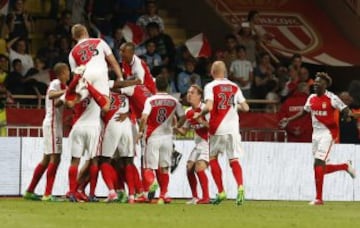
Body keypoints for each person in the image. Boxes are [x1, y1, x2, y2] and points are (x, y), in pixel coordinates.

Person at [279, 72, 356, 205]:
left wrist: (347, 115)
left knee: (319, 162)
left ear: (325, 84)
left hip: (328, 133)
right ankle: (344, 166)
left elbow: (345, 109)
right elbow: (304, 112)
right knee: (318, 166)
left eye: (318, 82)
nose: (315, 84)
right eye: (315, 81)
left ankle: (319, 198)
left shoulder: (332, 98)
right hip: (316, 135)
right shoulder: (311, 98)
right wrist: (289, 120)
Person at [193, 61, 249, 206]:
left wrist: (199, 114)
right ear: (225, 72)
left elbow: (210, 106)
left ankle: (221, 191)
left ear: (212, 71)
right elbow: (246, 107)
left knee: (212, 158)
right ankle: (240, 187)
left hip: (218, 128)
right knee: (234, 159)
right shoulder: (235, 87)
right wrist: (235, 106)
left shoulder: (210, 86)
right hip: (233, 129)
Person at [23, 63, 70, 201]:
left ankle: (30, 191)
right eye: (67, 71)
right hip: (52, 125)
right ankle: (48, 194)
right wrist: (66, 92)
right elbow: (50, 95)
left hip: (56, 125)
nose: (69, 73)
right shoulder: (56, 83)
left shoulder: (65, 87)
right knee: (55, 157)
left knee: (46, 159)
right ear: (61, 73)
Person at [137, 74, 185, 204]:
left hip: (153, 136)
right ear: (168, 86)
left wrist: (140, 132)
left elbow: (144, 117)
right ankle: (164, 195)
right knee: (164, 167)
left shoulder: (150, 100)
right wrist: (176, 126)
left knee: (149, 167)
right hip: (168, 137)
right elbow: (183, 116)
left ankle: (152, 183)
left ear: (155, 85)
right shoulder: (174, 100)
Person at [174, 85, 210, 204]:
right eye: (188, 92)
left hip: (209, 142)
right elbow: (184, 132)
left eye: (192, 92)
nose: (189, 95)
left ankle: (206, 197)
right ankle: (195, 197)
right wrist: (175, 128)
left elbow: (214, 127)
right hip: (198, 144)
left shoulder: (206, 108)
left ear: (199, 96)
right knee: (189, 168)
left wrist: (201, 121)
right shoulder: (188, 112)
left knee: (199, 168)